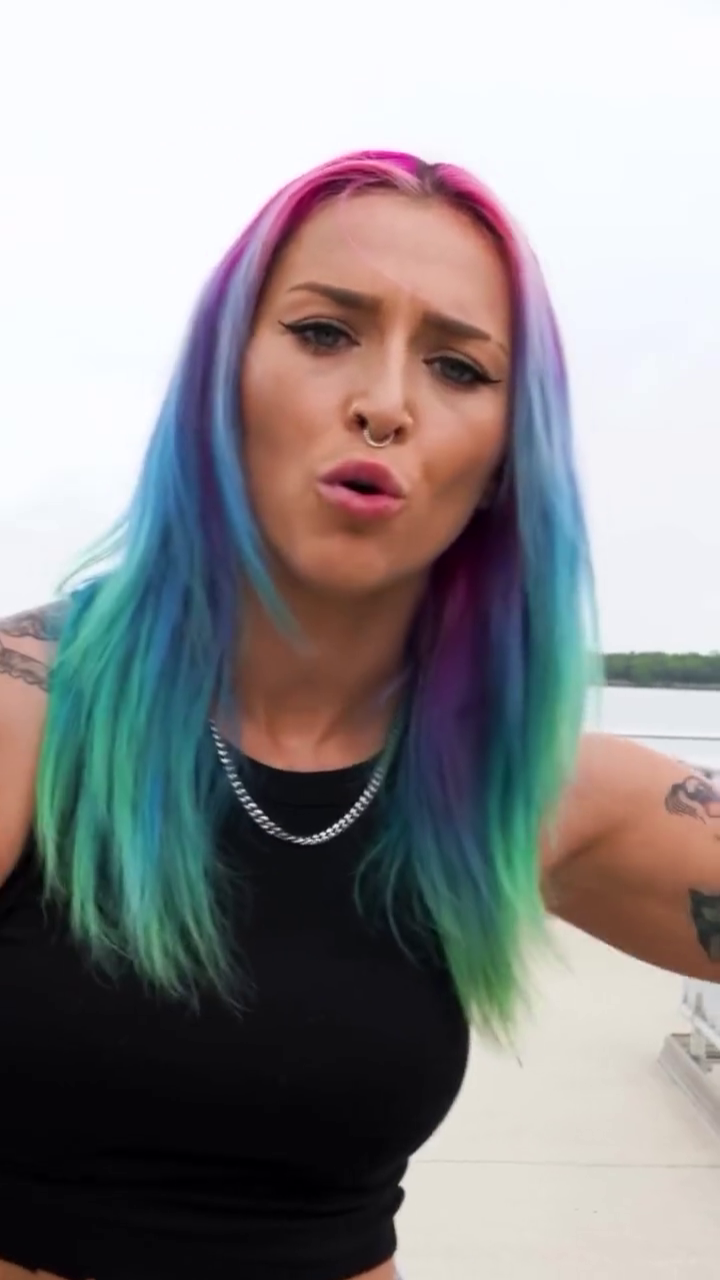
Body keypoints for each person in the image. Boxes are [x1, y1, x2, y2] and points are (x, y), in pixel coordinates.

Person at [0, 149, 717, 1280]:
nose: (385, 402)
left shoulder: (513, 789)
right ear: (223, 385)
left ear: (504, 459)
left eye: (458, 366)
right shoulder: (30, 713)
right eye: (324, 331)